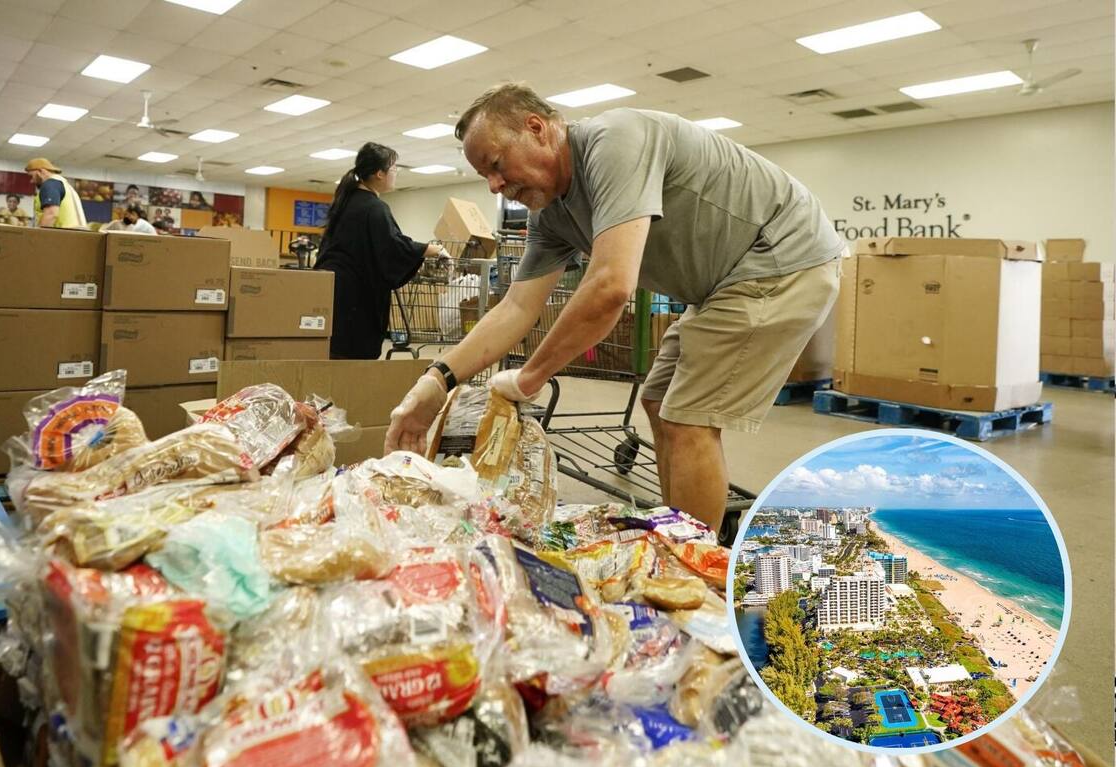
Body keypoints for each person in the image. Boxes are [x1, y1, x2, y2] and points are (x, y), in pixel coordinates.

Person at [385, 82, 843, 533]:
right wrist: (436, 380)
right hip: (723, 286)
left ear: (537, 128)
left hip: (779, 259)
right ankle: (678, 535)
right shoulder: (553, 217)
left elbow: (610, 286)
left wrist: (529, 377)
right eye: (486, 175)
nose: (494, 186)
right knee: (658, 400)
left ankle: (692, 575)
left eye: (497, 164)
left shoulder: (614, 141)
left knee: (687, 419)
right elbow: (517, 307)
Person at [314, 142, 449, 359]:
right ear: (379, 173)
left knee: (333, 353)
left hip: (332, 291)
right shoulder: (374, 207)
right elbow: (391, 246)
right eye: (394, 168)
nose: (396, 173)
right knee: (354, 357)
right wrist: (428, 249)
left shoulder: (346, 201)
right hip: (356, 298)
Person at [24, 158, 88, 229]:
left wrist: (37, 237)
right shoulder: (63, 183)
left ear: (41, 171)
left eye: (31, 176)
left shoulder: (50, 184)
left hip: (65, 235)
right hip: (78, 233)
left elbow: (51, 214)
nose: (31, 181)